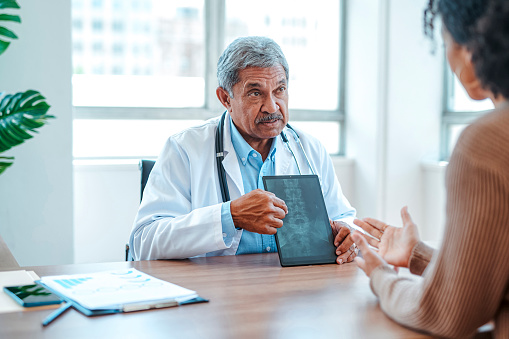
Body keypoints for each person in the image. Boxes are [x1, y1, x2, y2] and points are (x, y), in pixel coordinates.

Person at [351, 0, 509, 337]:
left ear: (471, 51)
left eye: (445, 43)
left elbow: (447, 313)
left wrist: (382, 277)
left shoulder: (487, 144)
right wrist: (418, 255)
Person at [129, 36, 357, 263]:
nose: (272, 106)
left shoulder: (308, 148)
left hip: (292, 288)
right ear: (226, 98)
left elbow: (343, 216)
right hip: (217, 289)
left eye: (280, 90)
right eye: (256, 93)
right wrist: (230, 216)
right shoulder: (185, 148)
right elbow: (144, 242)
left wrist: (347, 233)